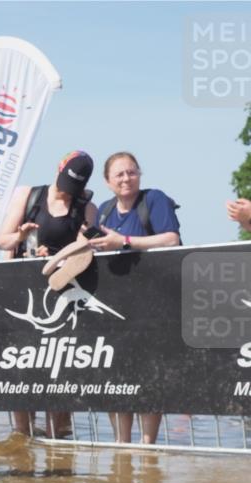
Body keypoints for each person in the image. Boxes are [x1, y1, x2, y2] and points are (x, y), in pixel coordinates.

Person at [0, 151, 97, 437]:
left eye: (74, 188)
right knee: (22, 373)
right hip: (24, 291)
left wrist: (55, 257)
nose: (68, 192)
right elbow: (2, 240)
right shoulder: (29, 196)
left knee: (60, 376)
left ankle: (60, 447)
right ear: (58, 168)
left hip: (63, 294)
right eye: (66, 184)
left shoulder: (86, 207)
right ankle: (22, 442)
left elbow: (83, 248)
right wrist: (21, 236)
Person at [88, 151, 181, 444]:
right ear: (107, 181)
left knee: (149, 375)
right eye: (120, 174)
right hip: (115, 308)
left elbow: (171, 239)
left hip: (155, 306)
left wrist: (124, 241)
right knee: (116, 377)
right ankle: (122, 444)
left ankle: (148, 444)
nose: (127, 178)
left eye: (132, 172)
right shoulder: (103, 210)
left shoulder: (154, 200)